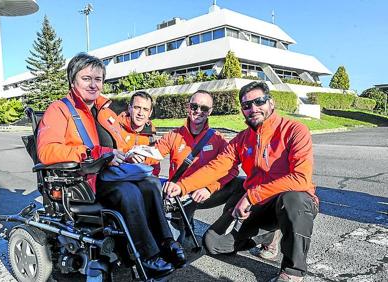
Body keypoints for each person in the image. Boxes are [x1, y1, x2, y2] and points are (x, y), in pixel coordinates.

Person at [37, 53, 185, 278]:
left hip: (109, 173)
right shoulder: (59, 110)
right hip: (82, 181)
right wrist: (96, 153)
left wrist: (127, 155)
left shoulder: (104, 111)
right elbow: (46, 151)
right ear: (72, 80)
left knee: (151, 183)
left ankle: (165, 242)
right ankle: (146, 256)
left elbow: (118, 143)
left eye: (98, 79)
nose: (94, 84)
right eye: (87, 78)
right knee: (129, 191)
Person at [163, 82, 319, 282]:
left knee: (293, 200)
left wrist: (251, 196)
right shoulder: (241, 140)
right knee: (213, 243)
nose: (253, 108)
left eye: (259, 101)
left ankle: (292, 272)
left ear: (271, 102)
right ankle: (270, 232)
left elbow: (300, 178)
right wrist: (182, 186)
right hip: (258, 206)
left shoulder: (295, 130)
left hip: (289, 201)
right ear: (242, 110)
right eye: (247, 105)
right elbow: (217, 167)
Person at [156, 90, 242, 243]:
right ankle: (186, 223)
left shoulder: (218, 139)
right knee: (176, 244)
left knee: (241, 184)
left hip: (204, 193)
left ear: (210, 111)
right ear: (188, 107)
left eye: (204, 108)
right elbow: (153, 156)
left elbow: (233, 169)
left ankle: (221, 231)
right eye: (194, 106)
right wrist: (136, 157)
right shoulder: (173, 135)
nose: (198, 111)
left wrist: (210, 187)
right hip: (180, 195)